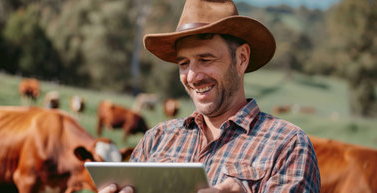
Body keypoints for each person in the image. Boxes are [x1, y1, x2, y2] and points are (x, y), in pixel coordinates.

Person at [100, 0, 320, 192]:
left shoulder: (288, 145)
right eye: (183, 63)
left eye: (205, 60)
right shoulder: (156, 140)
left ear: (241, 59)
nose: (192, 76)